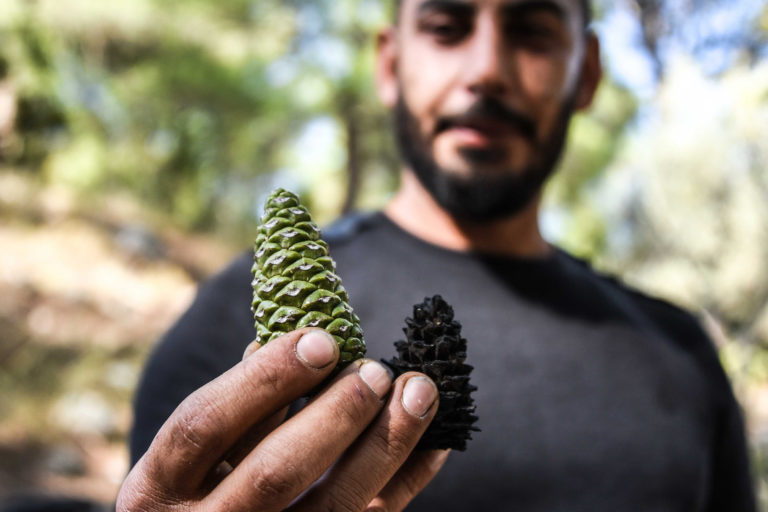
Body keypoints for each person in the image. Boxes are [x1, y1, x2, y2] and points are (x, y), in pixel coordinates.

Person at [118, 0, 757, 510]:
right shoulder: (232, 332)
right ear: (390, 65)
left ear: (587, 72)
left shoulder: (682, 356)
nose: (487, 69)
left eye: (532, 30)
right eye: (447, 26)